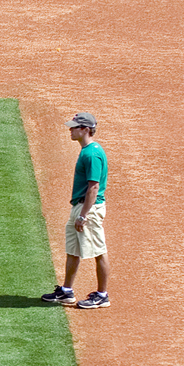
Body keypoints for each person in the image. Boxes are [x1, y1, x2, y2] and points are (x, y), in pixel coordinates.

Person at [41, 112, 112, 309]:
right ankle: (66, 291)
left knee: (99, 250)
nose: (70, 130)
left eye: (74, 127)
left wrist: (83, 215)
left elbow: (94, 187)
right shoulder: (86, 151)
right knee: (72, 249)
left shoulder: (92, 154)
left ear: (86, 130)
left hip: (88, 209)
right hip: (80, 207)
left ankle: (102, 295)